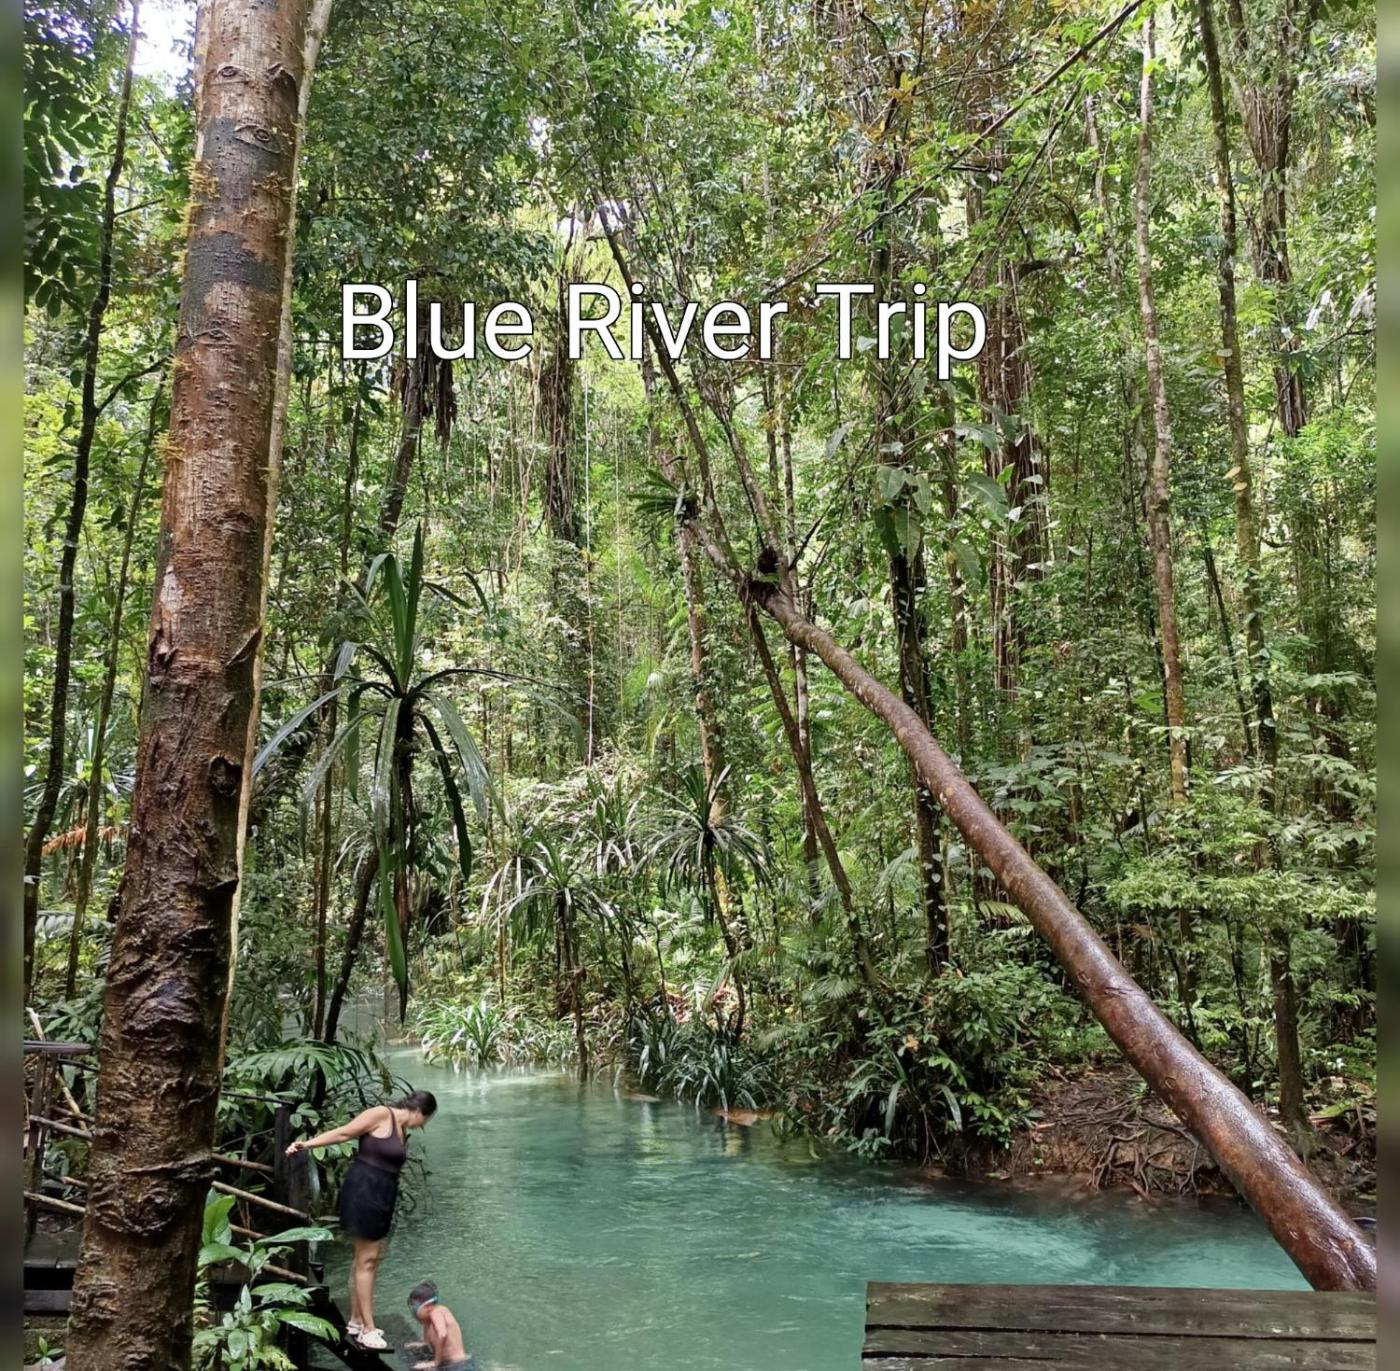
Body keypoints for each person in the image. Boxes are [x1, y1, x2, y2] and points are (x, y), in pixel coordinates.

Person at [284, 1089, 438, 1350]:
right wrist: (306, 1145)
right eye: (426, 1120)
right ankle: (368, 1329)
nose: (422, 1126)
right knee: (366, 1260)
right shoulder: (381, 1114)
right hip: (364, 1191)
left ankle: (356, 1320)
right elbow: (344, 1133)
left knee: (368, 1259)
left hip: (383, 1195)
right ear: (420, 1111)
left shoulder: (401, 1129)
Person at [406, 1280, 475, 1371]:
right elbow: (427, 1327)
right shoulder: (428, 1318)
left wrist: (436, 1362)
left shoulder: (437, 1312)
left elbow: (442, 1335)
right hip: (452, 1364)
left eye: (414, 1307)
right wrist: (424, 1343)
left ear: (427, 1306)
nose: (413, 1312)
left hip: (459, 1365)